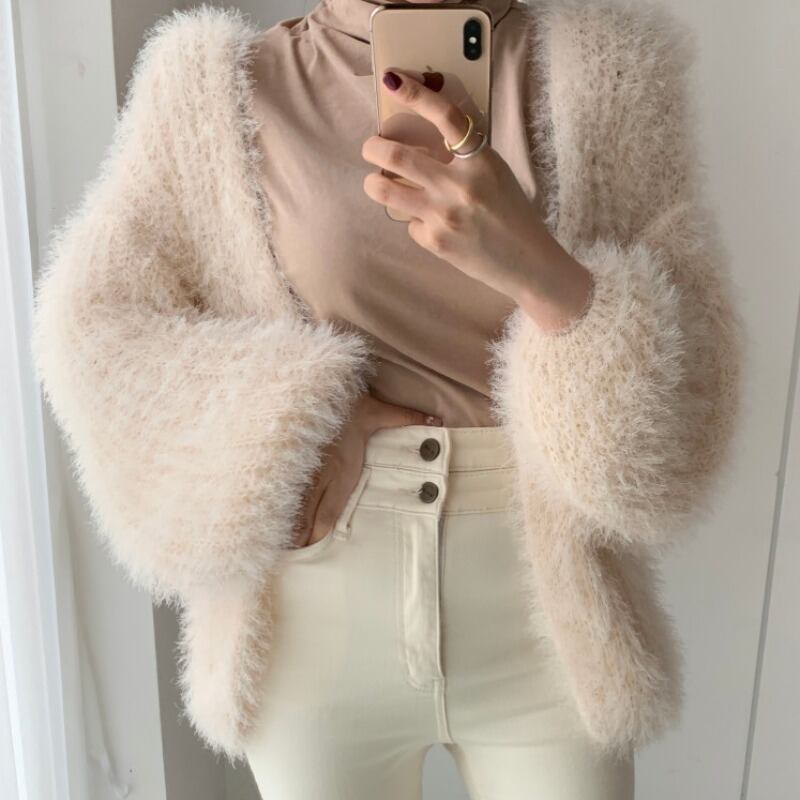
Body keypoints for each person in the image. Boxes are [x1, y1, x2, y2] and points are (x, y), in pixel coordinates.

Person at [29, 0, 745, 798]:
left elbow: (695, 403)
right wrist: (299, 419)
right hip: (318, 616)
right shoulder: (220, 87)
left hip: (547, 612)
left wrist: (541, 270)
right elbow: (95, 330)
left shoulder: (611, 68)